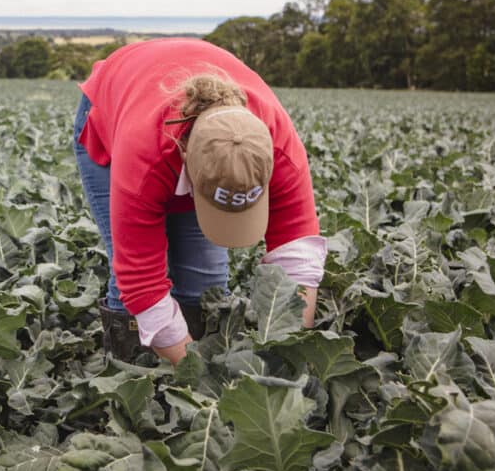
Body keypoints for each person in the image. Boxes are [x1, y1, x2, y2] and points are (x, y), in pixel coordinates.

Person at [73, 38, 325, 364]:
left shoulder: (278, 147)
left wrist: (293, 355)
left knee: (205, 287)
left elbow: (299, 261)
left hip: (176, 126)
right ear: (187, 163)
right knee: (127, 290)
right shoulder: (143, 158)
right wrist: (200, 380)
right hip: (111, 114)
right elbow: (142, 287)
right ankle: (130, 382)